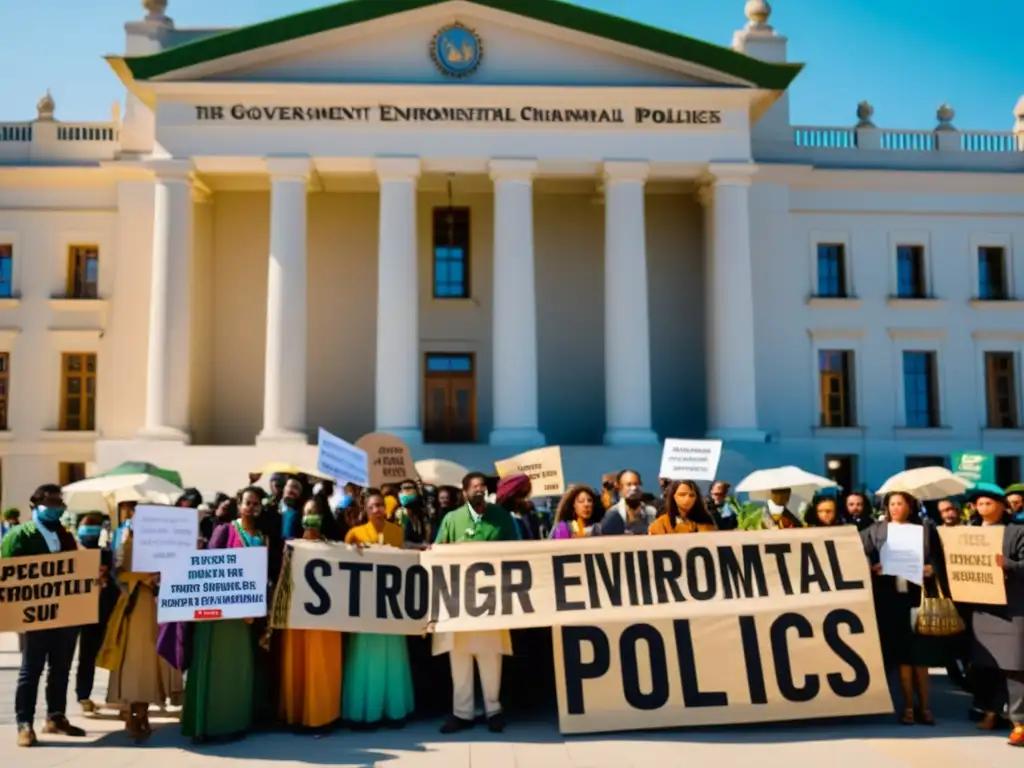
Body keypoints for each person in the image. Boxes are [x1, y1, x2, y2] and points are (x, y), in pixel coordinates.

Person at [181, 487, 268, 743]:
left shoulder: (262, 536)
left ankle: (234, 723)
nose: (251, 507)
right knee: (215, 668)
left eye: (256, 503)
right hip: (218, 616)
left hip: (244, 616)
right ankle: (206, 727)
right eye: (247, 503)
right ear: (239, 505)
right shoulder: (226, 530)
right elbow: (210, 565)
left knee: (236, 669)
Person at [434, 472, 519, 734]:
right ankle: (462, 713)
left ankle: (493, 709)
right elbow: (437, 550)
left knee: (491, 657)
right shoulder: (452, 518)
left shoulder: (501, 517)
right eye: (475, 487)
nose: (480, 490)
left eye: (483, 486)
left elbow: (519, 552)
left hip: (491, 602)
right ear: (464, 491)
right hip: (458, 603)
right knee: (459, 659)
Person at [3, 484, 85, 747]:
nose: (55, 508)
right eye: (49, 503)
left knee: (61, 668)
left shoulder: (66, 536)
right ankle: (24, 723)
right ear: (35, 505)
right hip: (33, 616)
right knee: (31, 670)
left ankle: (55, 717)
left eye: (59, 503)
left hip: (66, 614)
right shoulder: (19, 536)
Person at [861, 491, 948, 726]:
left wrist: (931, 570)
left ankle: (926, 706)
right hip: (890, 600)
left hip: (917, 598)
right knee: (902, 658)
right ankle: (908, 705)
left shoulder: (925, 529)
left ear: (910, 506)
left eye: (901, 503)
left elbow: (940, 560)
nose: (896, 507)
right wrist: (872, 566)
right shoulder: (877, 530)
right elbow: (858, 551)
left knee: (921, 658)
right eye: (892, 504)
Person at [98, 503, 181, 741]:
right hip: (136, 607)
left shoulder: (167, 541)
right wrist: (146, 578)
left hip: (163, 607)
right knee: (136, 662)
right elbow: (119, 572)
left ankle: (143, 713)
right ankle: (132, 715)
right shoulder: (126, 539)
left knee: (156, 661)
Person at [342, 492, 415, 728]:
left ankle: (395, 712)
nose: (377, 510)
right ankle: (366, 714)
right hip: (365, 606)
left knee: (393, 658)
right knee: (366, 658)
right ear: (366, 509)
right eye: (372, 506)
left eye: (380, 505)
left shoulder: (397, 532)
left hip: (392, 606)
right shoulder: (355, 533)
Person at [964, 483, 1024, 746]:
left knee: (1014, 667)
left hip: (1012, 609)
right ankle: (991, 711)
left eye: (989, 503)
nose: (984, 508)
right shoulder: (968, 533)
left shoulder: (1018, 532)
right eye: (980, 504)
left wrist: (1007, 564)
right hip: (982, 608)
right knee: (985, 665)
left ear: (1003, 506)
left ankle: (1019, 721)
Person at [279, 501, 343, 730]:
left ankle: (323, 716)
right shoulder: (291, 547)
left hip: (326, 618)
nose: (311, 517)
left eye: (315, 513)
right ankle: (296, 715)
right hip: (298, 618)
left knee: (323, 666)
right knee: (297, 665)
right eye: (307, 513)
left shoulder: (335, 548)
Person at [74, 515, 120, 714]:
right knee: (85, 657)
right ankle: (83, 695)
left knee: (95, 655)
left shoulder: (108, 555)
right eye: (87, 529)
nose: (89, 533)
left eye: (93, 528)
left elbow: (116, 582)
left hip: (102, 612)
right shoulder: (72, 554)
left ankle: (91, 695)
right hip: (79, 613)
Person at [600, 470, 657, 535]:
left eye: (636, 484)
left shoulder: (651, 512)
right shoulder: (613, 513)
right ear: (620, 488)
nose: (633, 488)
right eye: (629, 484)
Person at [649, 480, 717, 534]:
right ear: (673, 497)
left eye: (692, 495)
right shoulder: (661, 524)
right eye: (682, 495)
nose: (687, 499)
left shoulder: (706, 523)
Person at [495, 473, 534, 540]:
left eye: (526, 494)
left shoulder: (523, 519)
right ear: (510, 496)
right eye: (521, 495)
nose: (523, 499)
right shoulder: (496, 520)